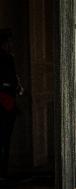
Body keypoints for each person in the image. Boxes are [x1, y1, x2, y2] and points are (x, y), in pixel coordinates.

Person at [0, 29, 23, 179]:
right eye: (9, 42)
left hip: (7, 100)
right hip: (4, 102)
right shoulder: (5, 58)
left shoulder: (8, 57)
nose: (11, 44)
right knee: (3, 139)